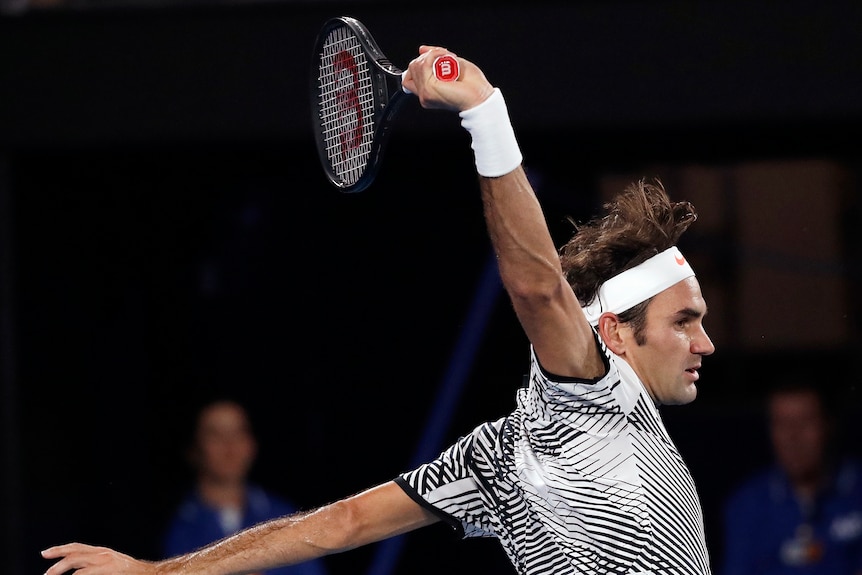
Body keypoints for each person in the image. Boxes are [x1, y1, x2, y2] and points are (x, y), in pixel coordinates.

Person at [42, 44, 716, 575]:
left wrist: (158, 573)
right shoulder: (595, 402)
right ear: (613, 335)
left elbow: (338, 526)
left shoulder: (495, 456)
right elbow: (539, 289)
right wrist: (484, 111)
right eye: (684, 320)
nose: (705, 342)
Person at [161, 398, 329, 575]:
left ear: (252, 444)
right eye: (215, 434)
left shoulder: (284, 516)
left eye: (239, 432)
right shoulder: (176, 526)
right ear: (194, 448)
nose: (229, 446)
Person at [720, 380, 862, 575]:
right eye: (782, 424)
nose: (792, 437)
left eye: (805, 422)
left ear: (828, 425)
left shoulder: (856, 489)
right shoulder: (747, 505)